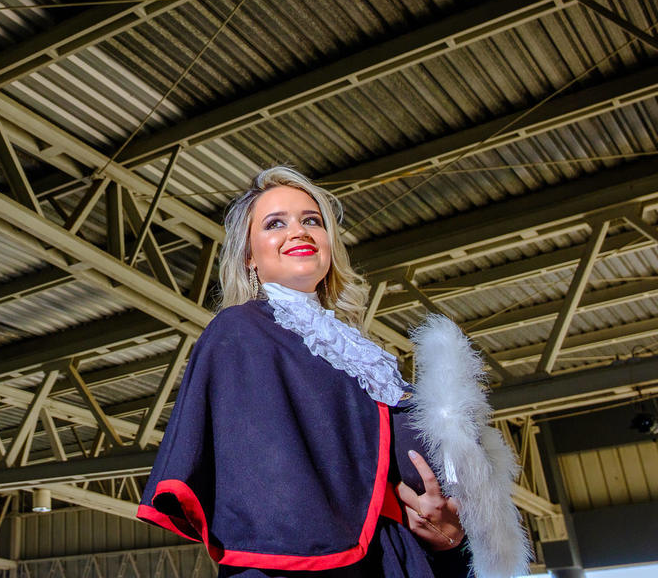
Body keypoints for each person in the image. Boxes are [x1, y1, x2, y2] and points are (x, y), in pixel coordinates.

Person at [136, 166, 470, 577]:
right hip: (299, 563)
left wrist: (447, 536)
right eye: (276, 223)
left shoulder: (369, 355)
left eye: (311, 221)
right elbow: (265, 481)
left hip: (400, 559)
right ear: (249, 256)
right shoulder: (240, 331)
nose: (299, 232)